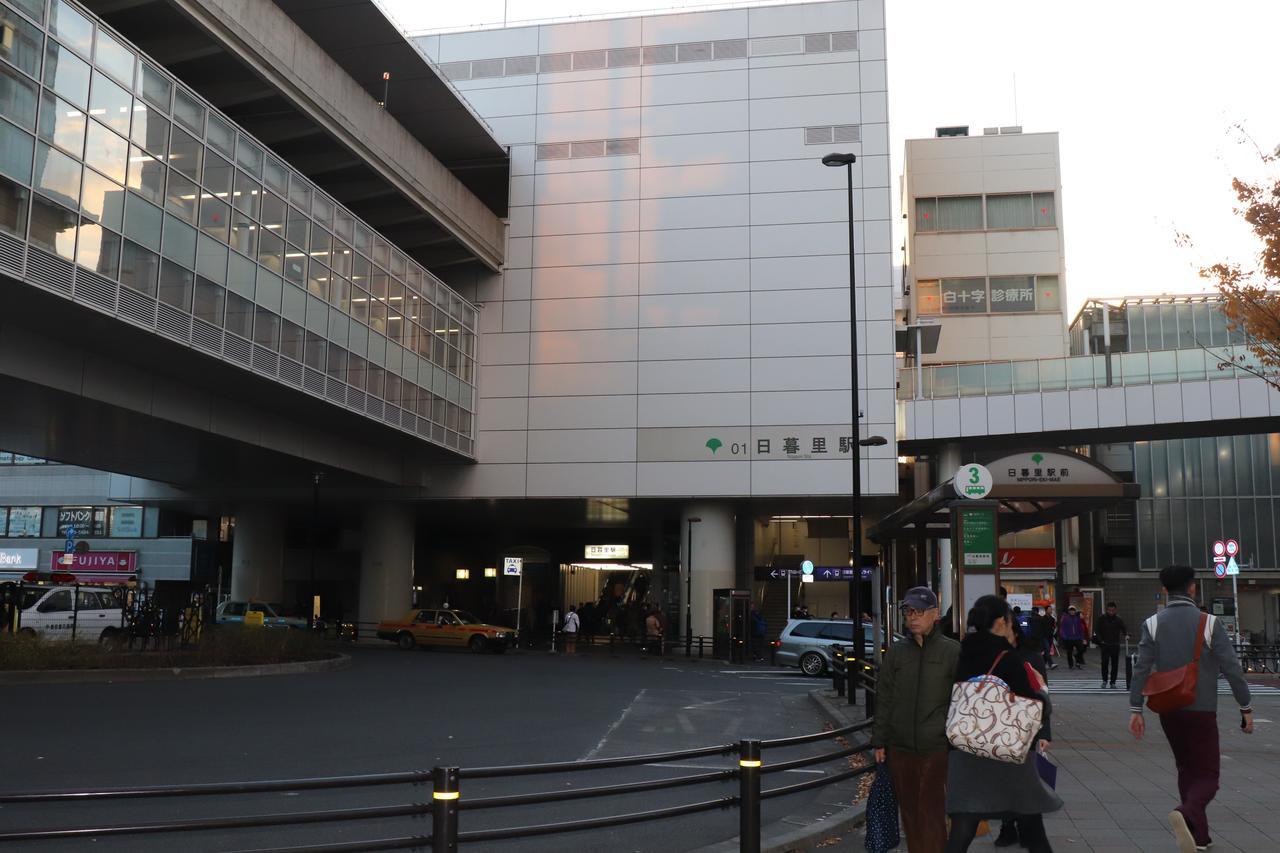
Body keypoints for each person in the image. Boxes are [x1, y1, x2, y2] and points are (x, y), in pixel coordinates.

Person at [1129, 565, 1253, 853]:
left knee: (1186, 767)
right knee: (1208, 774)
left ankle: (1200, 837)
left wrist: (1135, 709)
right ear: (1192, 587)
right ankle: (1186, 813)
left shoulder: (1152, 623)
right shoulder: (1209, 623)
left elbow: (1141, 669)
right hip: (1201, 708)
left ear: (1163, 590)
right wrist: (1245, 706)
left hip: (1169, 709)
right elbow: (1232, 668)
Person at [945, 594, 1060, 853]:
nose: (1012, 626)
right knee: (1032, 825)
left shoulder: (963, 654)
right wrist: (1042, 693)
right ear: (1000, 622)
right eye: (1009, 621)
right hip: (1006, 755)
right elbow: (1033, 705)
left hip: (966, 752)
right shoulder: (1008, 658)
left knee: (963, 826)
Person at [871, 587, 960, 853]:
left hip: (936, 746)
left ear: (935, 615)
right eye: (909, 611)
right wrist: (879, 740)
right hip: (900, 746)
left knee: (930, 812)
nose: (913, 617)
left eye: (919, 612)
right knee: (909, 814)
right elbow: (884, 697)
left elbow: (962, 697)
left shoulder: (952, 651)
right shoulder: (897, 652)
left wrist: (951, 735)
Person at [993, 608, 1053, 848]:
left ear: (1014, 631)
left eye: (1002, 627)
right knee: (1005, 782)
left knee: (1023, 782)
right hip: (999, 730)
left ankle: (1022, 828)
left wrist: (1045, 733)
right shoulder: (992, 656)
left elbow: (1043, 695)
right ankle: (1010, 827)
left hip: (1026, 730)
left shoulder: (1031, 657)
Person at [1093, 603, 1127, 688]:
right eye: (1109, 610)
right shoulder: (1102, 618)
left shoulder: (1118, 619)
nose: (1111, 612)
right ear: (1106, 610)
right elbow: (1097, 630)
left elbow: (1124, 629)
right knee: (1104, 663)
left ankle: (1113, 682)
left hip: (1115, 644)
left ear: (1115, 610)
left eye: (1113, 610)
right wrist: (1101, 641)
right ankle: (1104, 680)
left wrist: (1127, 634)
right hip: (1105, 644)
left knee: (1115, 664)